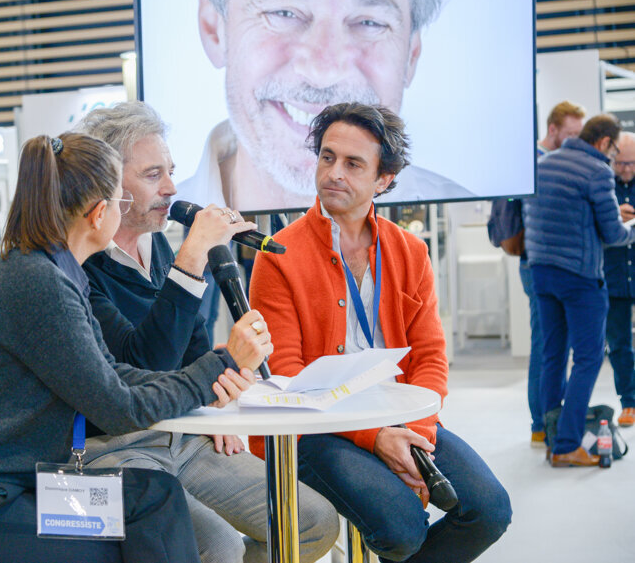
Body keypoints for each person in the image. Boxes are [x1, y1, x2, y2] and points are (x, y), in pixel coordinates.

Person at [0, 133, 269, 563]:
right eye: (120, 202)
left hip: (13, 484)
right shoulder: (38, 282)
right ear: (99, 215)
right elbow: (118, 408)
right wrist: (217, 369)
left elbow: (113, 372)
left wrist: (214, 372)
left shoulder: (51, 270)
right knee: (150, 516)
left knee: (153, 497)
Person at [77, 102, 339, 563]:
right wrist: (193, 255)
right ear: (108, 183)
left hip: (184, 432)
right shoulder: (83, 266)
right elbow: (142, 366)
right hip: (116, 444)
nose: (171, 189)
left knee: (312, 521)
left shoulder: (156, 244)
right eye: (154, 174)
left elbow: (194, 349)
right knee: (217, 547)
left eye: (171, 171)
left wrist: (215, 404)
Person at [249, 103, 511, 562]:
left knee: (489, 511)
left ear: (384, 179)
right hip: (316, 429)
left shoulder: (409, 250)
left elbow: (430, 357)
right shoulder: (280, 253)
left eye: (353, 164)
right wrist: (376, 438)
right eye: (327, 157)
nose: (333, 173)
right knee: (402, 529)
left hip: (401, 415)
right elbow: (286, 374)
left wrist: (413, 435)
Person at [179, 0, 473, 212]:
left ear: (411, 55)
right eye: (283, 13)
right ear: (213, 27)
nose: (324, 70)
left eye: (370, 22)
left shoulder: (459, 203)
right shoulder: (152, 230)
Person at [524, 114, 635, 467]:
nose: (614, 158)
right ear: (604, 143)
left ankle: (549, 432)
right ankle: (567, 445)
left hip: (542, 272)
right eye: (615, 150)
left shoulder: (545, 163)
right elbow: (615, 235)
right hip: (580, 277)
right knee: (588, 358)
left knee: (552, 355)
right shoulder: (597, 170)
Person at [524, 100, 586, 445]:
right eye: (571, 134)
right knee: (546, 347)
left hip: (548, 265)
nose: (575, 142)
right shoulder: (537, 163)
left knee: (553, 348)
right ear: (553, 130)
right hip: (538, 265)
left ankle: (547, 421)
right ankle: (540, 423)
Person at [603, 131, 635, 428]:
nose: (626, 169)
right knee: (620, 343)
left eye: (632, 163)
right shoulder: (602, 187)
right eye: (622, 163)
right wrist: (614, 218)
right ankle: (629, 401)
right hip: (614, 278)